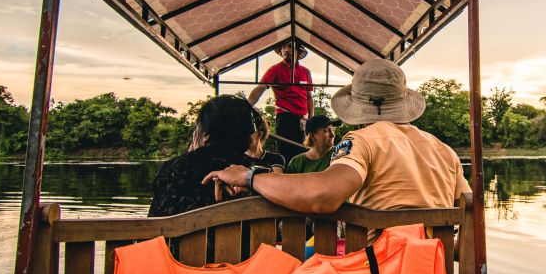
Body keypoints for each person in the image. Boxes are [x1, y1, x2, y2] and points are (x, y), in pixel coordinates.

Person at [203, 58, 471, 217]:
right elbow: (468, 211)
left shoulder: (360, 140)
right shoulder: (443, 149)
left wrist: (250, 177)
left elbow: (323, 196)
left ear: (358, 106)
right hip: (436, 273)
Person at [148, 95, 283, 217]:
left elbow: (155, 226)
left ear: (205, 133)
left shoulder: (173, 169)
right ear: (248, 136)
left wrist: (190, 156)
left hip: (177, 244)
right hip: (245, 245)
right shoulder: (258, 173)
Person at [247, 40, 313, 161]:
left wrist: (311, 120)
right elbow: (261, 87)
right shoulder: (275, 69)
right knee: (287, 152)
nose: (286, 50)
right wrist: (246, 106)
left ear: (298, 52)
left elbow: (309, 97)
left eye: (290, 47)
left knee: (303, 152)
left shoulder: (305, 72)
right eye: (283, 47)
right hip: (286, 118)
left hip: (303, 120)